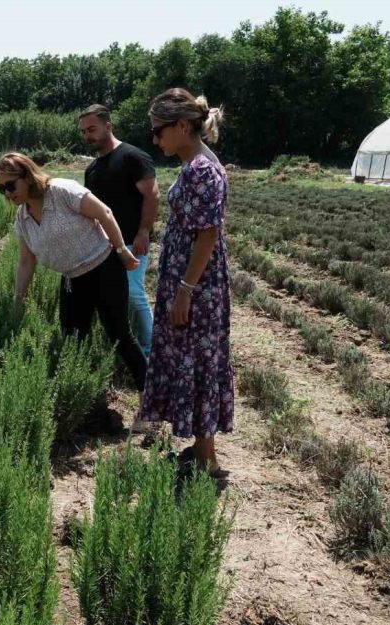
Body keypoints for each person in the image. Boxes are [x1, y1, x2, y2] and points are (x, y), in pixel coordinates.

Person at [136, 88, 234, 476]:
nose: (155, 139)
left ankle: (206, 459)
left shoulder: (201, 170)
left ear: (181, 126)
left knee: (199, 362)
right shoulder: (195, 164)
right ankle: (201, 449)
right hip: (191, 283)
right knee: (193, 361)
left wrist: (185, 292)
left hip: (198, 287)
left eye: (159, 130)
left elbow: (207, 236)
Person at [0, 152, 147, 390]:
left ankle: (148, 397)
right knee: (71, 342)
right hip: (72, 280)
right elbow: (26, 261)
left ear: (27, 176)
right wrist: (19, 298)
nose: (7, 192)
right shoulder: (22, 218)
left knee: (119, 335)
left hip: (104, 268)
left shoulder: (62, 191)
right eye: (1, 189)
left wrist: (121, 250)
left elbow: (104, 213)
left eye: (10, 185)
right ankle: (83, 396)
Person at [79, 104, 161, 357]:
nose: (87, 135)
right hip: (102, 246)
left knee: (134, 294)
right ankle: (121, 346)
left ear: (108, 126)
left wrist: (144, 232)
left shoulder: (132, 157)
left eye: (91, 129)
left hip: (131, 241)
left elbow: (153, 195)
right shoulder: (91, 169)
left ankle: (149, 350)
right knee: (109, 298)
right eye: (83, 132)